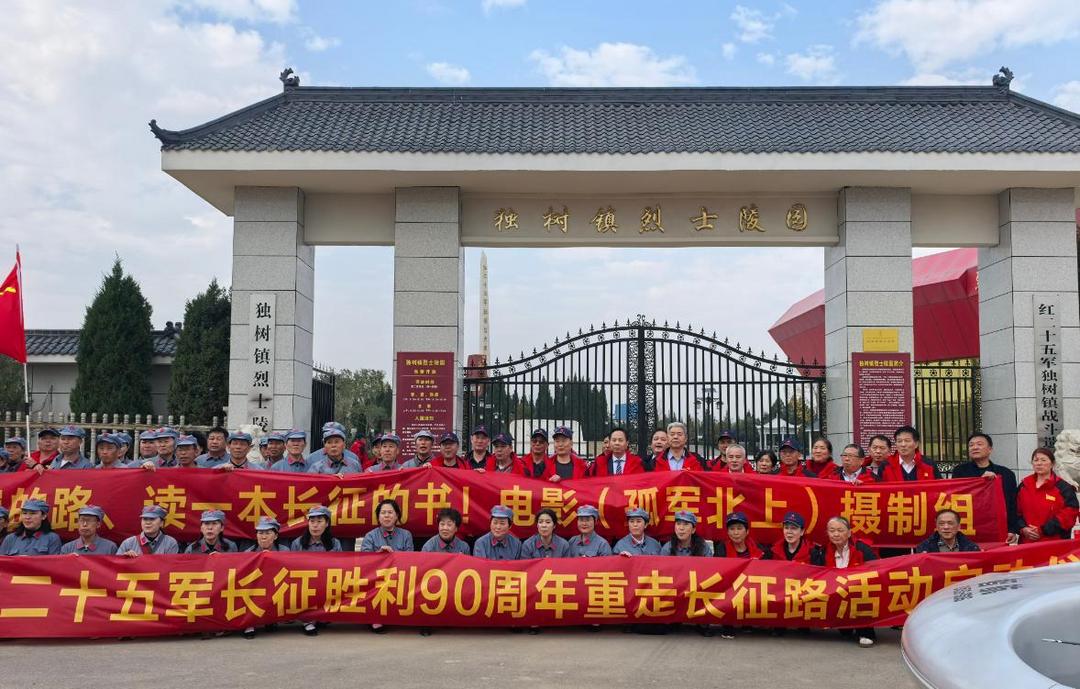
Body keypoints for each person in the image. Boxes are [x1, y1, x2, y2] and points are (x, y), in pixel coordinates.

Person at [812, 516, 878, 647]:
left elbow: (877, 570)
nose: (836, 534)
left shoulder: (862, 549)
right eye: (832, 531)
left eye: (840, 530)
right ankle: (843, 626)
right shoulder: (823, 551)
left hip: (858, 591)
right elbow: (818, 575)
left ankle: (865, 632)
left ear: (849, 533)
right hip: (836, 592)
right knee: (845, 631)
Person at [951, 432, 1021, 540]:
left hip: (997, 528)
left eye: (979, 444)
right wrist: (981, 482)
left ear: (990, 449)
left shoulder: (1006, 474)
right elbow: (955, 498)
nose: (974, 447)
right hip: (969, 529)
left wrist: (1012, 529)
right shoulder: (960, 471)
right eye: (971, 445)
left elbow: (1012, 504)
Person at [291, 506, 341, 636]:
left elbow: (340, 568)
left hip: (326, 583)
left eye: (319, 521)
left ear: (327, 523)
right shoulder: (297, 543)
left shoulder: (335, 543)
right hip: (304, 584)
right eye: (312, 521)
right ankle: (308, 620)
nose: (315, 525)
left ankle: (321, 615)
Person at [1016, 447, 1079, 543]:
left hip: (1054, 543)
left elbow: (1070, 514)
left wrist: (1043, 530)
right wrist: (1023, 528)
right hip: (1026, 542)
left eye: (1043, 460)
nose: (1039, 463)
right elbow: (1015, 512)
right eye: (1036, 460)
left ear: (1052, 464)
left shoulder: (1064, 488)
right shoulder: (1024, 485)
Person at [241, 516, 289, 639]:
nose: (263, 536)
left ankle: (272, 620)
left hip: (276, 587)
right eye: (260, 533)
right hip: (255, 589)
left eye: (267, 533)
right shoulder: (248, 553)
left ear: (276, 536)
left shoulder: (285, 552)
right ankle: (249, 624)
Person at [116, 505, 180, 556]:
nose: (148, 522)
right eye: (145, 519)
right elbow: (117, 565)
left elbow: (171, 566)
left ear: (161, 523)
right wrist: (125, 558)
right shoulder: (128, 543)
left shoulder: (170, 543)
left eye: (152, 519)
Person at [914, 509, 981, 553]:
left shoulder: (972, 548)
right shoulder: (924, 548)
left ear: (958, 527)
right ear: (936, 527)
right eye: (941, 524)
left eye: (950, 523)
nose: (946, 527)